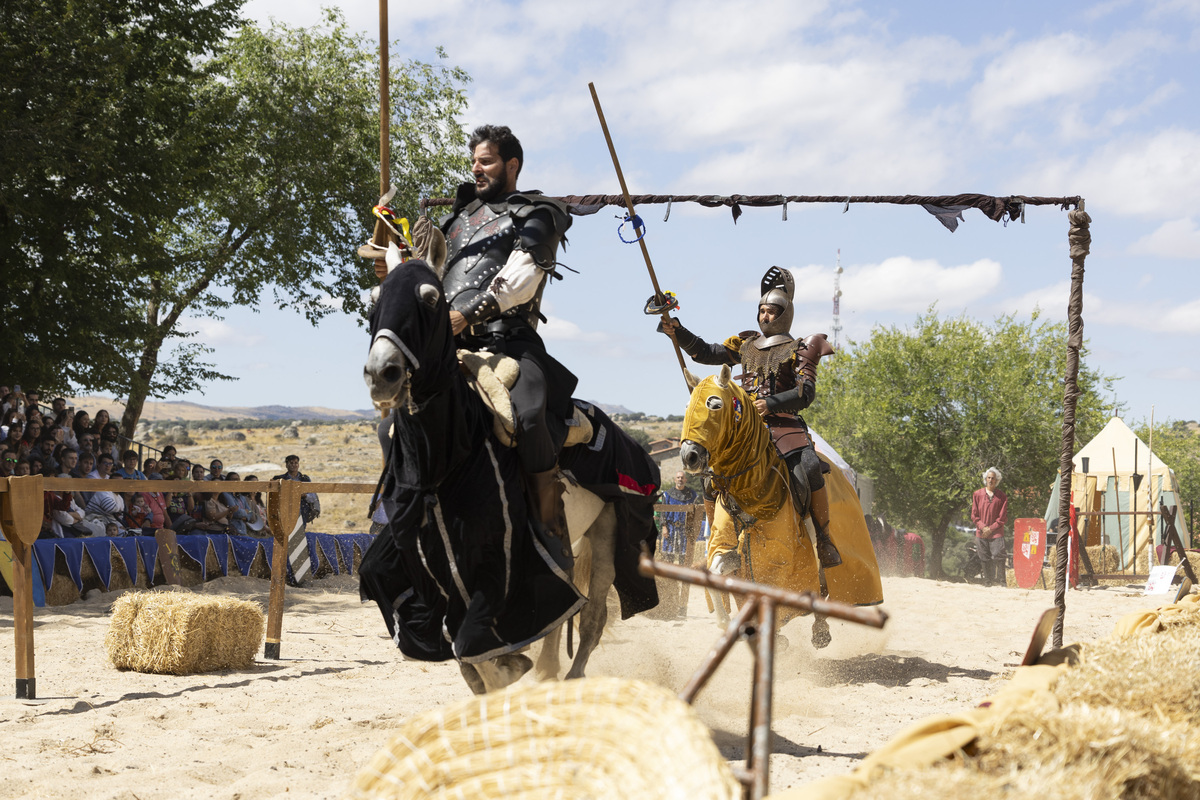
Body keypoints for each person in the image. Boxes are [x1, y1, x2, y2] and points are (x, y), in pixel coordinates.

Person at [434, 124, 575, 543]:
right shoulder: (456, 218)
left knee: (529, 416)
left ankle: (548, 522)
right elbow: (429, 275)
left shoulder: (538, 213)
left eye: (487, 160)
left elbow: (522, 278)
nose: (476, 168)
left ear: (511, 165)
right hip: (448, 344)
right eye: (473, 161)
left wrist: (465, 316)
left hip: (508, 340)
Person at [659, 266, 842, 569]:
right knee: (710, 477)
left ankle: (823, 539)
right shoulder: (746, 345)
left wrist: (770, 403)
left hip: (784, 426)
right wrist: (677, 331)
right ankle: (716, 543)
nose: (764, 317)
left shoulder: (800, 349)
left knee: (808, 466)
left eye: (771, 312)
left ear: (784, 315)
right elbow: (706, 352)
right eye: (761, 311)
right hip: (744, 428)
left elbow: (805, 393)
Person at [971, 467, 1009, 587]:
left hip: (996, 532)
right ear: (985, 479)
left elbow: (1002, 517)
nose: (990, 480)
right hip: (981, 531)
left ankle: (1002, 582)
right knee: (984, 556)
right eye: (989, 478)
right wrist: (983, 527)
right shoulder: (977, 494)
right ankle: (988, 582)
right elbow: (974, 515)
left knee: (999, 555)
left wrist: (990, 529)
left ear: (996, 480)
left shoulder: (1002, 496)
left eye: (993, 478)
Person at [659, 471, 699, 564]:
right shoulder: (667, 494)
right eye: (678, 477)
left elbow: (695, 513)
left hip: (685, 529)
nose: (680, 479)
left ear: (685, 480)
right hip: (670, 528)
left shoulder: (692, 495)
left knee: (683, 557)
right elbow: (663, 512)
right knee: (669, 557)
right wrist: (664, 527)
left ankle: (683, 576)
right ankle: (669, 577)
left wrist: (693, 528)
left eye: (682, 478)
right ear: (674, 480)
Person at [272, 455, 320, 525]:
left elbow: (312, 496)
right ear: (286, 465)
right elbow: (273, 496)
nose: (294, 465)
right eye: (291, 463)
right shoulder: (279, 478)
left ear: (298, 465)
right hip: (285, 507)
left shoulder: (305, 479)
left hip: (303, 507)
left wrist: (304, 495)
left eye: (296, 463)